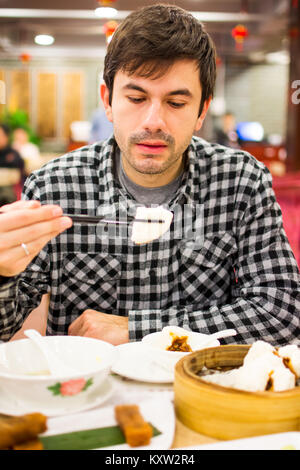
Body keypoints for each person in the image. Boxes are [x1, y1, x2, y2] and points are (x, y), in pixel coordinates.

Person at [0, 4, 299, 346]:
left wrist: (137, 329)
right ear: (108, 101)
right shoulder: (54, 186)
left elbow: (282, 311)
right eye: (137, 97)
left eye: (176, 103)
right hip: (89, 394)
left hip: (204, 388)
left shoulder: (240, 182)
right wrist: (2, 273)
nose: (153, 121)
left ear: (202, 111)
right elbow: (7, 327)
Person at [0, 124, 25, 206]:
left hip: (10, 189)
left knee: (7, 196)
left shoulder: (13, 153)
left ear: (6, 137)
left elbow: (19, 165)